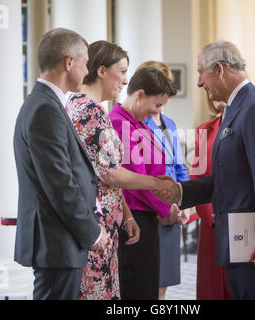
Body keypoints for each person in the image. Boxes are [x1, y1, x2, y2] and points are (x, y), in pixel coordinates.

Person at [155, 40, 255, 300]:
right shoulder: (235, 110)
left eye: (200, 73)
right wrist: (180, 190)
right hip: (240, 244)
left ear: (219, 69)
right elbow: (225, 179)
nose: (198, 83)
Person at [66, 41, 179, 300]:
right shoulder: (90, 109)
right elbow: (110, 173)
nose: (126, 79)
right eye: (122, 71)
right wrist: (156, 185)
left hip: (110, 221)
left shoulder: (96, 110)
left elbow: (108, 175)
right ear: (102, 70)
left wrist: (126, 215)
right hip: (97, 224)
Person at [13, 28, 111, 300]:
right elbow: (60, 184)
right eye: (86, 62)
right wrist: (92, 233)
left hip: (59, 240)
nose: (87, 69)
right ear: (69, 62)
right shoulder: (44, 109)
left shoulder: (46, 104)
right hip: (56, 241)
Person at [109, 67, 186, 300]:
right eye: (157, 104)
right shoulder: (120, 123)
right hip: (134, 218)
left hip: (147, 215)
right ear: (140, 94)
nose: (158, 111)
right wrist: (167, 209)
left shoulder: (137, 122)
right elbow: (137, 178)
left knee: (148, 287)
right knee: (138, 289)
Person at [137, 61, 190, 300]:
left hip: (171, 209)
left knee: (164, 279)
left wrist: (184, 203)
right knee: (145, 280)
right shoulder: (136, 122)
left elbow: (179, 166)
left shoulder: (169, 124)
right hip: (147, 208)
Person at [189, 97, 231, 300]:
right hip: (212, 222)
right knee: (213, 287)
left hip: (244, 220)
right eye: (207, 91)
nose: (211, 94)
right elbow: (197, 175)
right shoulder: (204, 130)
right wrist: (209, 215)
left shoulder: (253, 121)